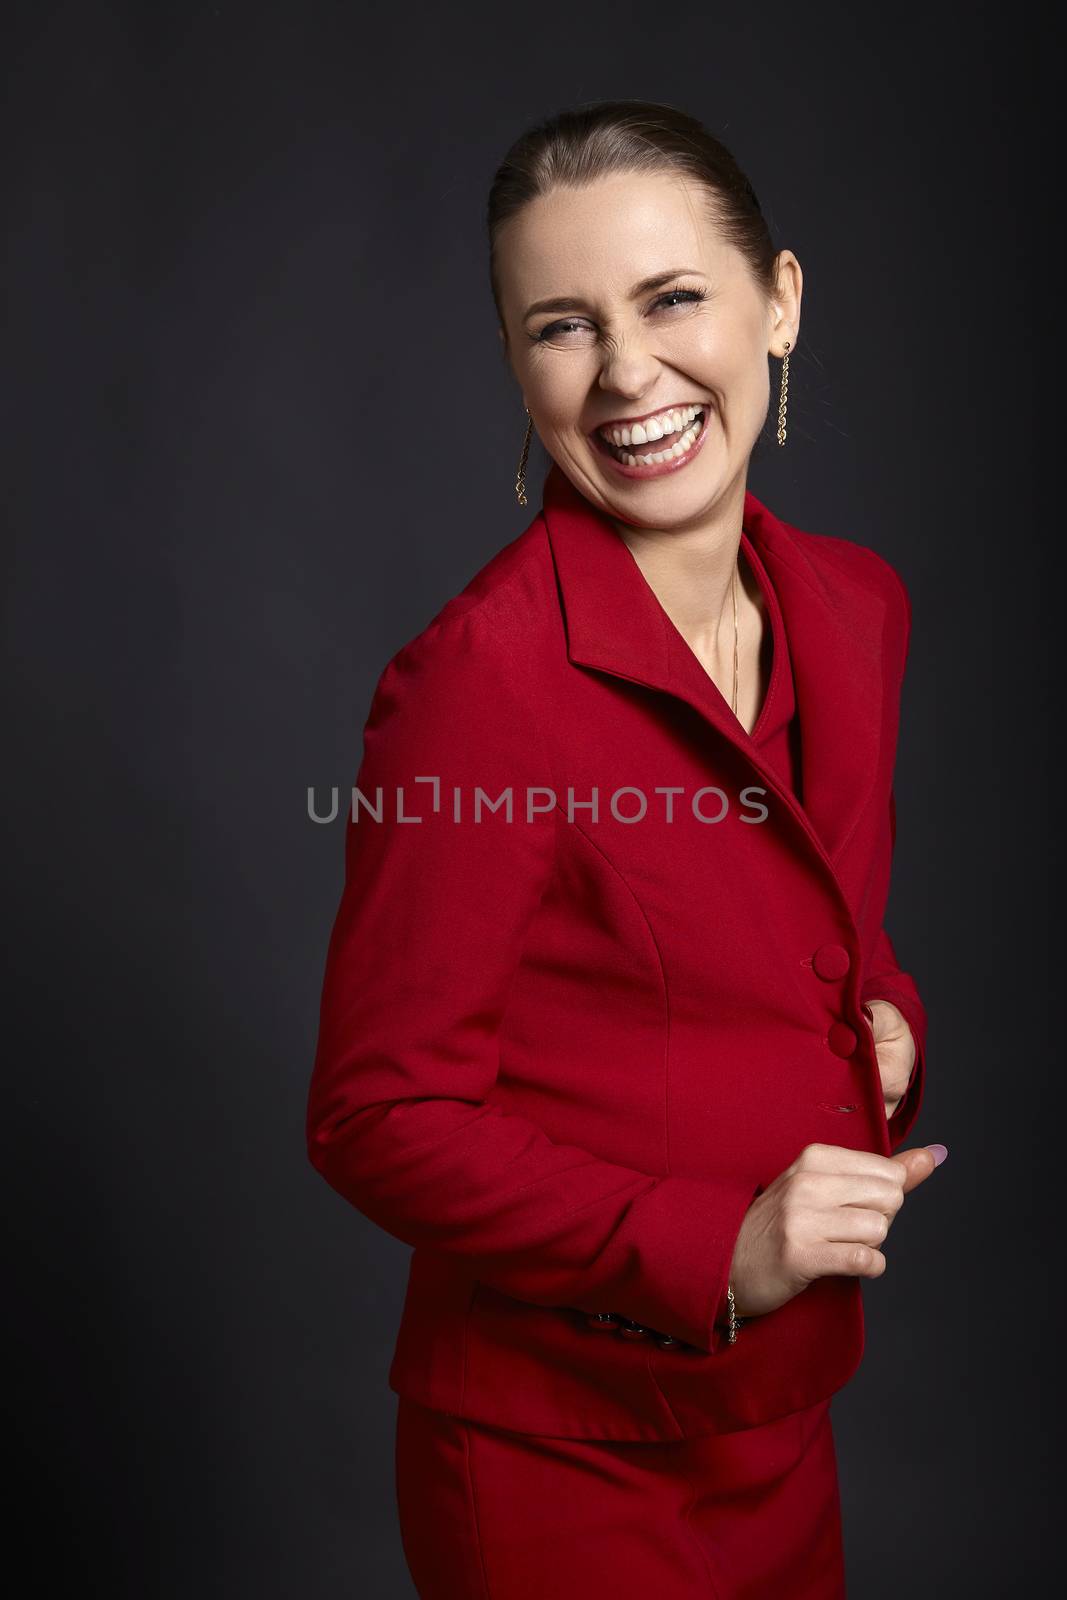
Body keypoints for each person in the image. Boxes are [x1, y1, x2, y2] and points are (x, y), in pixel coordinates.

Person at [306, 98, 947, 1599]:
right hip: (558, 1456)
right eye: (561, 327)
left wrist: (890, 1017)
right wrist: (714, 1250)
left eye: (672, 299)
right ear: (517, 366)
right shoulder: (481, 680)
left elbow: (808, 929)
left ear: (779, 303)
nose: (627, 374)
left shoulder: (857, 611)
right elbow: (377, 1113)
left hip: (779, 1421)